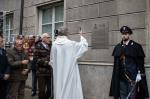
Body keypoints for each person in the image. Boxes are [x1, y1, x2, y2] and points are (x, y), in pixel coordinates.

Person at [109, 26, 149, 99]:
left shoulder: (136, 46)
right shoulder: (118, 47)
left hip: (132, 78)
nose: (124, 35)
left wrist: (140, 74)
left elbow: (140, 63)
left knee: (132, 96)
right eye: (122, 33)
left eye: (126, 33)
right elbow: (116, 65)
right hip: (121, 78)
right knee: (123, 96)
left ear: (129, 34)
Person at [50, 27, 88, 99]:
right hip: (69, 71)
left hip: (58, 73)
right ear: (67, 33)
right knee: (70, 88)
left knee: (59, 87)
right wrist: (81, 36)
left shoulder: (54, 44)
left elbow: (52, 60)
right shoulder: (71, 44)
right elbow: (83, 45)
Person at [34, 33, 53, 99]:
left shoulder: (51, 45)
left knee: (50, 90)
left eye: (49, 37)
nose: (49, 39)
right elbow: (36, 59)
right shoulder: (37, 46)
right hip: (41, 72)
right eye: (48, 37)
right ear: (43, 38)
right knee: (41, 91)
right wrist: (46, 62)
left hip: (49, 72)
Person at [0, 34, 10, 99]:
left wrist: (7, 73)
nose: (3, 43)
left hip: (5, 80)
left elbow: (8, 64)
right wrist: (2, 76)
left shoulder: (3, 51)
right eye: (1, 41)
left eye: (2, 41)